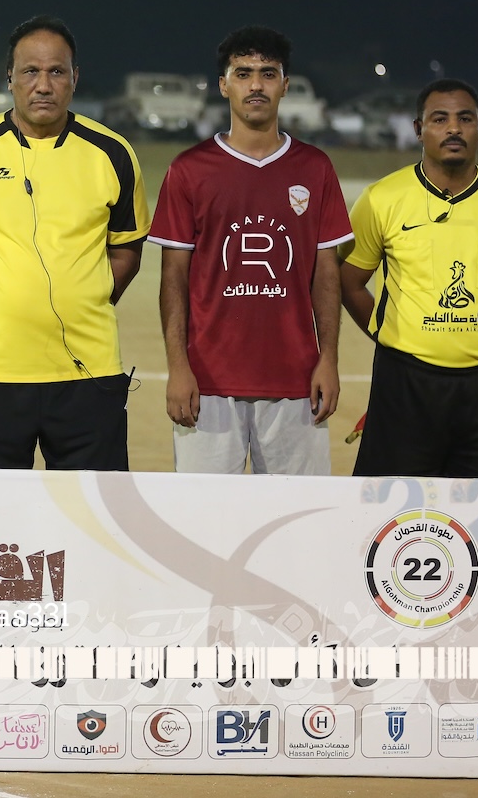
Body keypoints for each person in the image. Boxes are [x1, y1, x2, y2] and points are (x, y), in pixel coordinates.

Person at [0, 17, 148, 470]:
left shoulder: (113, 154)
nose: (43, 85)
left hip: (89, 373)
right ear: (9, 78)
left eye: (56, 71)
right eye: (30, 71)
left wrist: (88, 297)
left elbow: (127, 250)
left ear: (75, 77)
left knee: (91, 509)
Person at [151, 26, 353, 475]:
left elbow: (325, 273)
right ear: (224, 85)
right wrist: (178, 367)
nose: (256, 85)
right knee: (204, 513)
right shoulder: (189, 170)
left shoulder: (315, 168)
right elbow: (173, 278)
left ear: (285, 85)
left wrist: (329, 360)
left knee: (297, 513)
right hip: (208, 384)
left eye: (268, 73)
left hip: (297, 382)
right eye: (243, 74)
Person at [340, 78, 478, 478]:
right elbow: (349, 281)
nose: (454, 129)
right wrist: (386, 329)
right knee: (391, 507)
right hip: (404, 382)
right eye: (439, 119)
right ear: (419, 129)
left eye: (465, 119)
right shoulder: (381, 198)